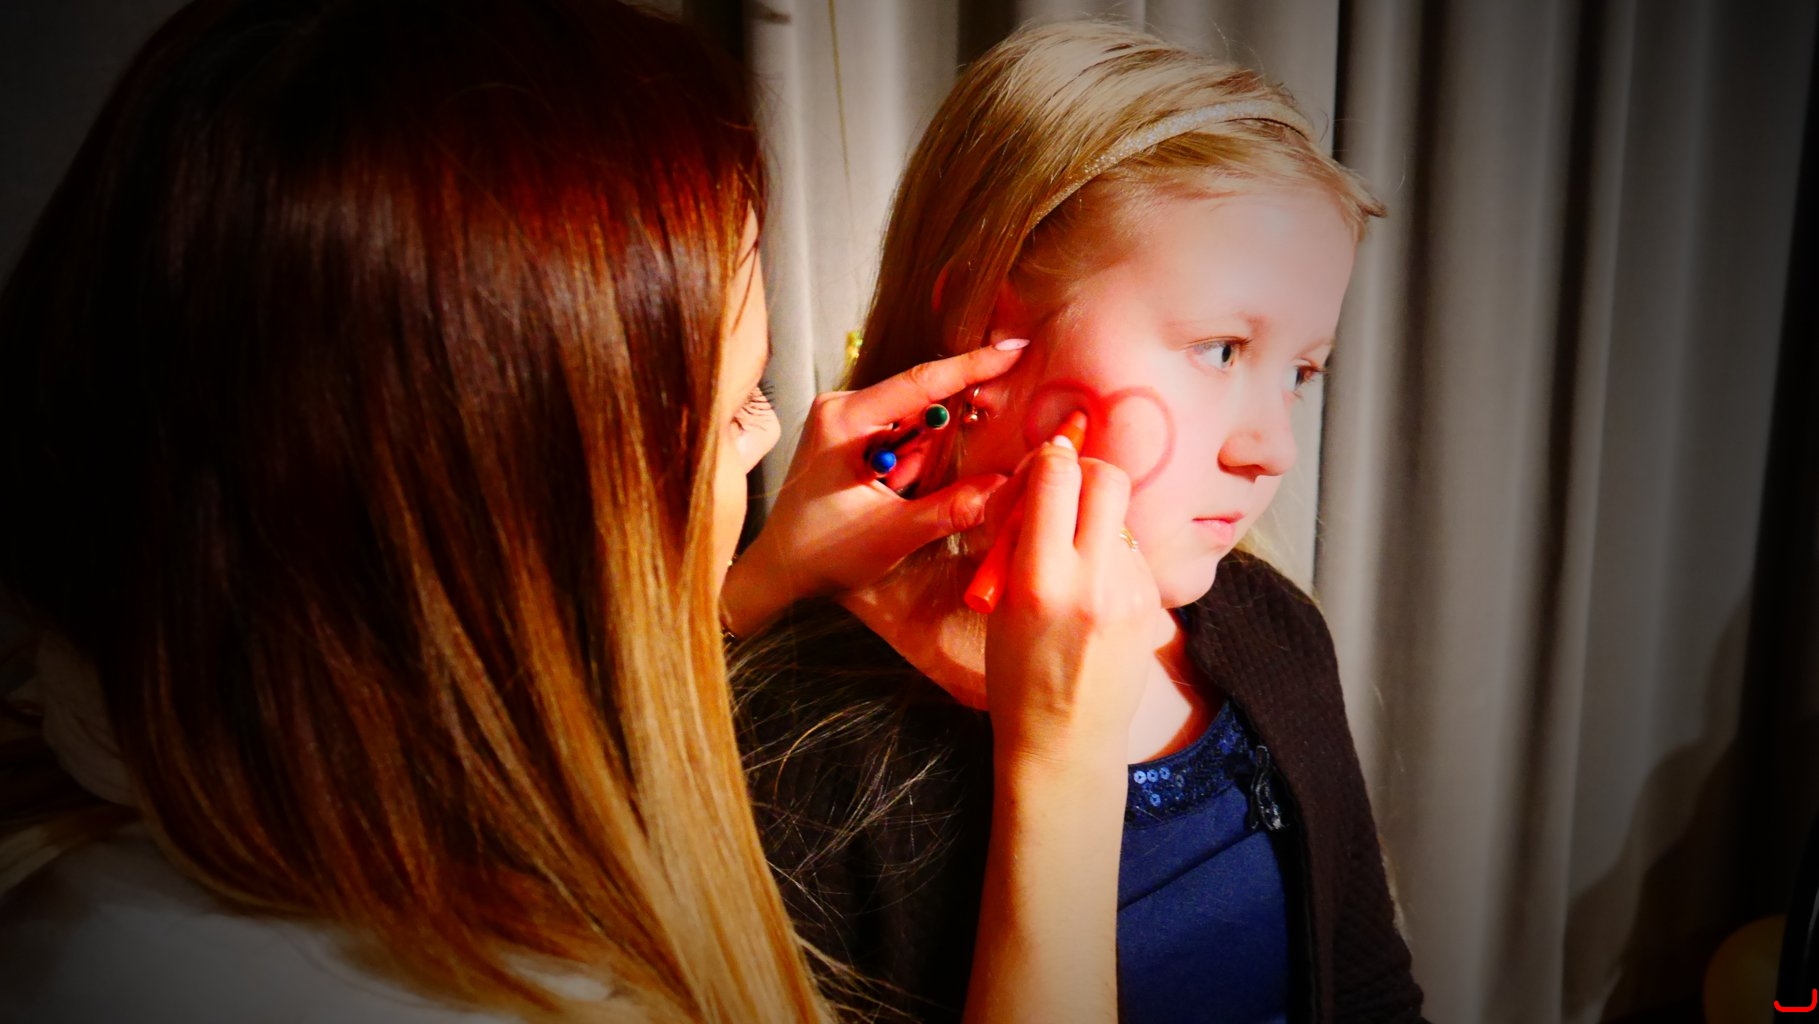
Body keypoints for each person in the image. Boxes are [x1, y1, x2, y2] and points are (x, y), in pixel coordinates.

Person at [0, 2, 1156, 1020]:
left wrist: (741, 590)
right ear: (517, 521)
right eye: (734, 409)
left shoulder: (137, 777)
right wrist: (1061, 773)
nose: (772, 442)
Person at [735, 21, 1428, 1024]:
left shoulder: (1270, 627)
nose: (1271, 447)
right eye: (1220, 348)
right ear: (988, 326)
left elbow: (1370, 999)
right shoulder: (803, 744)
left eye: (1301, 371)